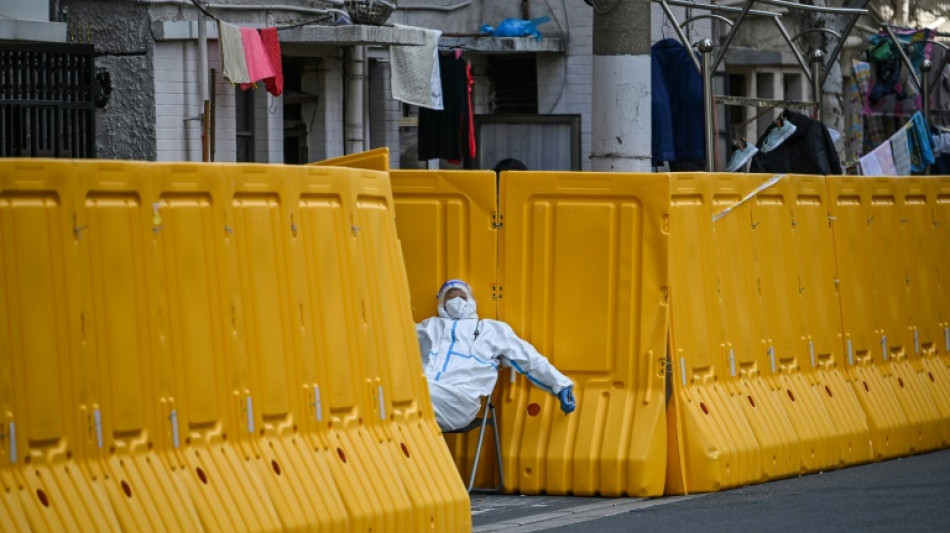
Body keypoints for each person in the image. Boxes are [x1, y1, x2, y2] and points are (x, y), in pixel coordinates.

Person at [416, 279, 576, 431]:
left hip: (459, 402)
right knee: (401, 397)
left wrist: (560, 385)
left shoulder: (491, 330)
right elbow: (397, 337)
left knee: (406, 398)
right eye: (450, 296)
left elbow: (529, 358)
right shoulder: (429, 326)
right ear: (442, 302)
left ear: (471, 301)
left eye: (462, 296)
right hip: (427, 393)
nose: (456, 301)